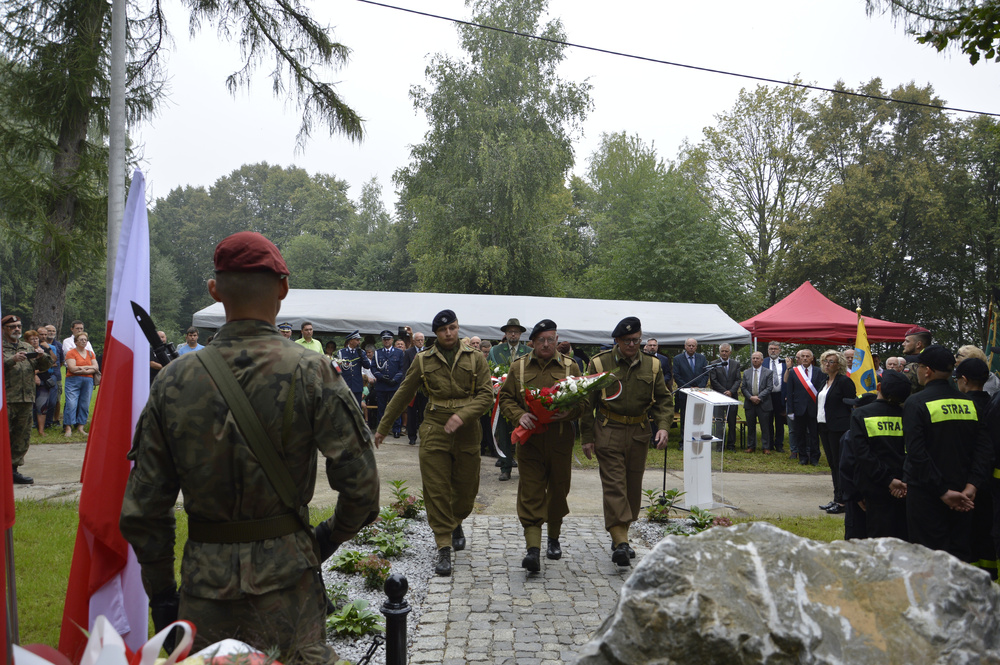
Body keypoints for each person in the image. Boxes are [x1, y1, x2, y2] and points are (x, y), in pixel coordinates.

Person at [120, 231, 379, 663]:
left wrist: (163, 595)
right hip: (290, 588)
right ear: (283, 288)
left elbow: (144, 510)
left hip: (204, 591)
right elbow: (362, 490)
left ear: (214, 290)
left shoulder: (172, 381)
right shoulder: (313, 370)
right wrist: (322, 541)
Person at [374, 310, 493, 577]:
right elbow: (404, 391)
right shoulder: (423, 359)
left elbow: (487, 396)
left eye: (452, 328)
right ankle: (443, 546)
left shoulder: (476, 359)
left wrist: (462, 416)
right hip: (435, 427)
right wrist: (383, 426)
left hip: (467, 430)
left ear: (457, 328)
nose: (448, 333)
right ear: (435, 334)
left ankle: (456, 521)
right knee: (436, 488)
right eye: (443, 330)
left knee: (466, 491)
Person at [581, 317, 673, 568]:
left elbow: (664, 400)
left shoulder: (653, 366)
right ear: (617, 341)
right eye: (627, 341)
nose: (633, 344)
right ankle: (621, 542)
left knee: (632, 487)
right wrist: (587, 437)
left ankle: (620, 531)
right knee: (614, 485)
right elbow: (587, 402)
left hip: (639, 432)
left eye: (637, 340)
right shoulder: (599, 363)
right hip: (608, 429)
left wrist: (663, 427)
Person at [498, 319, 580, 572]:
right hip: (530, 441)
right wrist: (518, 415)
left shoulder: (570, 366)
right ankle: (532, 549)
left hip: (560, 441)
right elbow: (506, 398)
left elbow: (585, 402)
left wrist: (566, 412)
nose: (546, 344)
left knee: (558, 490)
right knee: (531, 492)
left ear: (557, 340)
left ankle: (553, 538)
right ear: (532, 342)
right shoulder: (519, 367)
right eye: (541, 340)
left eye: (551, 339)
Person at [902, 345, 993, 562]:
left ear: (928, 371)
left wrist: (942, 491)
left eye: (919, 367)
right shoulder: (970, 403)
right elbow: (983, 449)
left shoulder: (916, 402)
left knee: (928, 558)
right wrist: (972, 486)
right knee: (959, 554)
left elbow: (916, 453)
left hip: (927, 494)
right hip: (964, 492)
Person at [953, 358, 997, 579]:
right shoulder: (992, 401)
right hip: (990, 483)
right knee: (987, 531)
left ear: (964, 380)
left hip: (966, 483)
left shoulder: (962, 407)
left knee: (967, 533)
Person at [3, 314, 52, 484]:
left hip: (26, 399)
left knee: (21, 436)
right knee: (4, 436)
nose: (16, 329)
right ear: (4, 329)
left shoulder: (26, 346)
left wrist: (41, 356)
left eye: (18, 326)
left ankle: (13, 470)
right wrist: (12, 360)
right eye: (12, 327)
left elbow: (45, 366)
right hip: (6, 400)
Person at [816, 350, 859, 514]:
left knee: (840, 464)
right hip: (824, 426)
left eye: (831, 361)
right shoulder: (824, 381)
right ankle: (837, 498)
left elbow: (851, 404)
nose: (827, 364)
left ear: (839, 364)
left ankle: (843, 501)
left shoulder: (844, 382)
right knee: (833, 464)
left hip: (839, 427)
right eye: (825, 361)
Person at [488, 318, 530, 481]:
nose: (513, 334)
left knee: (524, 433)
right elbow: (489, 372)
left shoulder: (528, 351)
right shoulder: (495, 351)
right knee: (504, 433)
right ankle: (505, 468)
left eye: (516, 332)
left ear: (520, 334)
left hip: (523, 400)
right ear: (505, 334)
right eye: (510, 331)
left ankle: (525, 468)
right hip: (502, 398)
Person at [786, 348, 824, 466]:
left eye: (808, 356)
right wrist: (790, 410)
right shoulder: (793, 372)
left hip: (814, 408)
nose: (805, 358)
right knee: (800, 434)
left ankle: (814, 458)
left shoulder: (819, 372)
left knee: (814, 435)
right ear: (800, 358)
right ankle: (802, 457)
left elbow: (821, 391)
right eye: (803, 356)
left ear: (812, 358)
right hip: (799, 409)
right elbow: (789, 392)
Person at [672, 338, 708, 448]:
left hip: (699, 393)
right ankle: (684, 441)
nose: (691, 347)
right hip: (684, 393)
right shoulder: (678, 359)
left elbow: (706, 374)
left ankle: (697, 440)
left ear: (696, 347)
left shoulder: (702, 358)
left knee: (698, 419)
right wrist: (688, 388)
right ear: (685, 346)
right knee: (685, 418)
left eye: (693, 345)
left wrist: (699, 387)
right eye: (689, 345)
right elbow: (677, 375)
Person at [64, 332, 98, 437]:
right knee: (71, 403)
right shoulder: (71, 353)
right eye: (81, 340)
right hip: (73, 380)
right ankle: (68, 427)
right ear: (76, 342)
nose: (84, 341)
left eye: (85, 340)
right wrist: (88, 368)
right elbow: (72, 368)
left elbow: (96, 367)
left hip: (88, 381)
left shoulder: (90, 353)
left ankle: (81, 427)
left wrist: (82, 369)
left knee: (85, 404)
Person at [708, 343, 741, 451]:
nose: (724, 353)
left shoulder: (735, 364)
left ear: (730, 352)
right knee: (719, 422)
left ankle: (731, 445)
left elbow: (738, 379)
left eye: (726, 351)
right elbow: (713, 380)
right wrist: (723, 391)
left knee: (732, 422)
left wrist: (731, 391)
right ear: (719, 352)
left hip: (732, 397)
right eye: (722, 351)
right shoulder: (714, 364)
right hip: (718, 397)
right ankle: (719, 445)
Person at [372, 330, 404, 437]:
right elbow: (373, 367)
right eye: (384, 339)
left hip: (394, 385)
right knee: (381, 409)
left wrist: (395, 379)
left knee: (395, 408)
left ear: (392, 340)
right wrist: (381, 377)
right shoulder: (377, 352)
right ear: (382, 341)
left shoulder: (399, 352)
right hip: (382, 385)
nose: (386, 341)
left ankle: (396, 429)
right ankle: (381, 430)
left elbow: (402, 368)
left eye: (388, 339)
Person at [25, 329, 56, 436]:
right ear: (27, 341)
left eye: (36, 338)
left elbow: (50, 363)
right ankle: (27, 430)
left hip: (44, 381)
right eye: (32, 339)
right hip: (27, 383)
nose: (35, 341)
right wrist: (34, 375)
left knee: (42, 406)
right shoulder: (24, 351)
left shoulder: (42, 350)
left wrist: (36, 372)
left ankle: (41, 430)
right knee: (28, 407)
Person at [740, 352, 773, 453]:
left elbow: (769, 388)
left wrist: (758, 397)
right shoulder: (746, 372)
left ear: (762, 360)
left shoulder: (768, 372)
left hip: (763, 403)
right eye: (753, 358)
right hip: (750, 403)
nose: (755, 360)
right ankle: (751, 446)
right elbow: (743, 387)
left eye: (757, 358)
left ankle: (766, 447)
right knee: (751, 426)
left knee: (765, 426)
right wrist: (750, 397)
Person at [400, 331, 428, 447]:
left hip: (426, 388)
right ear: (414, 341)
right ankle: (412, 436)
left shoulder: (428, 351)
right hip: (413, 388)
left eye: (422, 340)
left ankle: (426, 436)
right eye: (418, 340)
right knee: (411, 413)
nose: (420, 342)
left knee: (425, 413)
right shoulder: (408, 352)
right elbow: (404, 370)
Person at [762, 342, 787, 453]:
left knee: (779, 421)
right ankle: (769, 444)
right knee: (768, 421)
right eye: (771, 349)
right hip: (767, 396)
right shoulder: (763, 362)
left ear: (779, 350)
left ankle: (779, 444)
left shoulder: (785, 363)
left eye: (775, 349)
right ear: (768, 350)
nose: (773, 351)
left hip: (780, 396)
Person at [336, 331, 371, 409]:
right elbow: (338, 368)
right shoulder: (342, 352)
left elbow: (367, 366)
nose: (359, 342)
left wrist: (362, 356)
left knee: (357, 407)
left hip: (356, 385)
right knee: (345, 407)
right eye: (357, 340)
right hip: (345, 383)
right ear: (351, 341)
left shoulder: (361, 352)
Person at [43, 324, 65, 428]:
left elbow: (60, 362)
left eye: (53, 331)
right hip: (43, 374)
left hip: (56, 375)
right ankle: (44, 421)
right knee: (43, 399)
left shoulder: (59, 345)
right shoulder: (41, 344)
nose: (51, 333)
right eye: (49, 331)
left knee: (56, 399)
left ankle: (55, 420)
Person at [901, 325, 932, 395]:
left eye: (907, 341)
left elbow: (905, 393)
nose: (903, 344)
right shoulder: (939, 361)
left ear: (918, 344)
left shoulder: (913, 364)